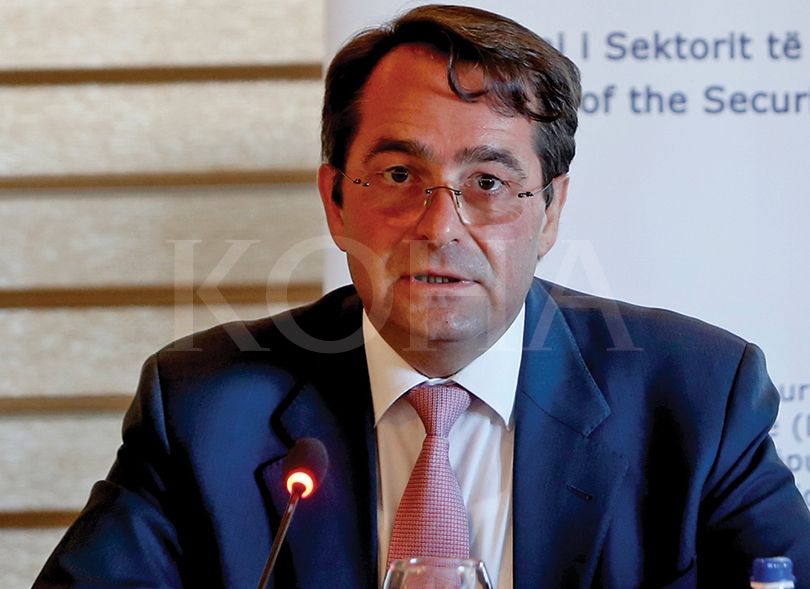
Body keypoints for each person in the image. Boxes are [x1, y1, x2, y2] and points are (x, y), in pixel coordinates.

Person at [35, 5, 810, 588]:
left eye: (489, 182)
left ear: (550, 212)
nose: (440, 227)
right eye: (400, 175)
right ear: (336, 201)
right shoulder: (203, 407)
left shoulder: (697, 396)